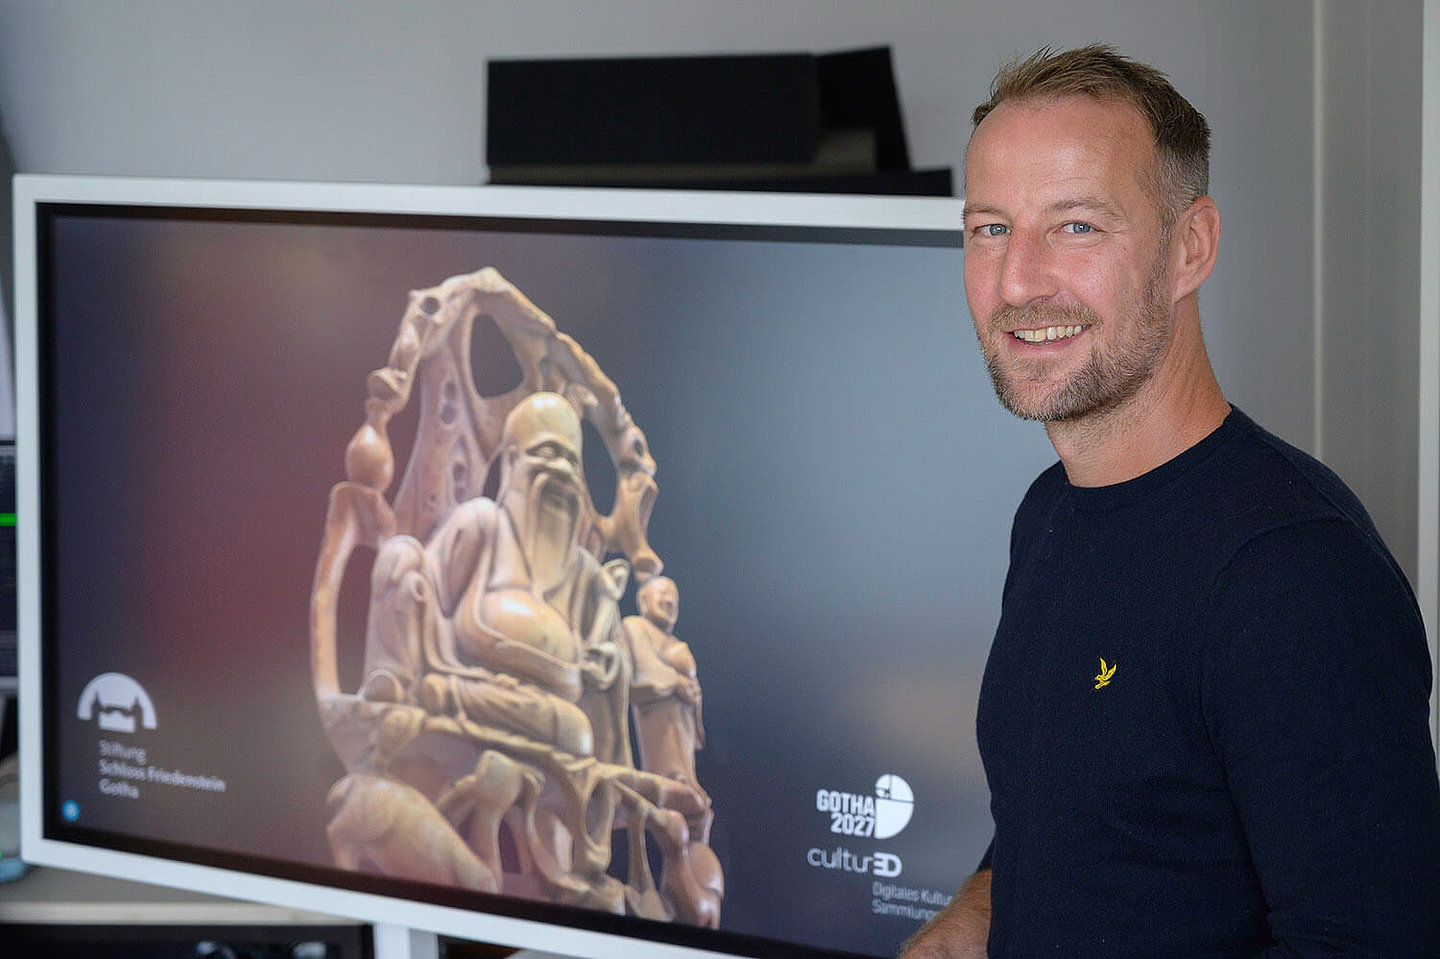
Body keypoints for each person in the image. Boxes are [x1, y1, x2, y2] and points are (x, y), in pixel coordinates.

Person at [902, 44, 1440, 956]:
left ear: (1191, 247)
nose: (1019, 280)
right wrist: (978, 911)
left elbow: (1368, 942)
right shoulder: (1049, 516)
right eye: (991, 227)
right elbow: (1087, 813)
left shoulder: (1293, 576)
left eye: (1076, 227)